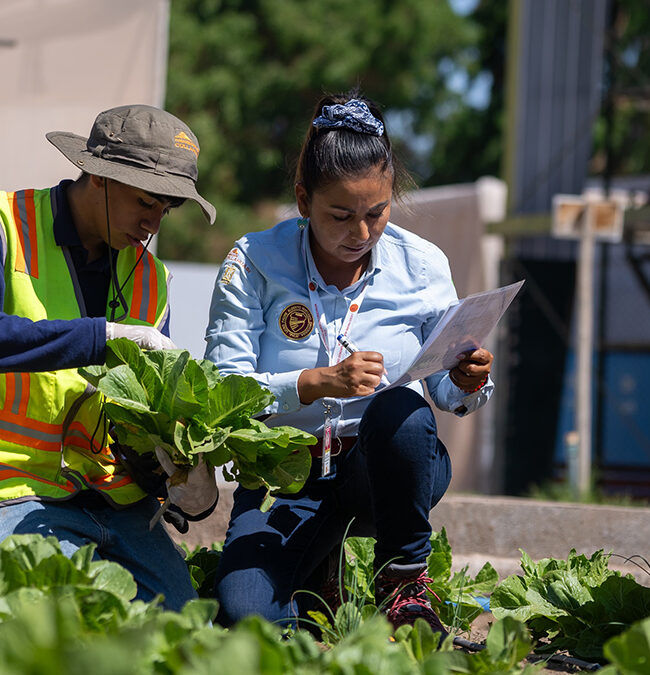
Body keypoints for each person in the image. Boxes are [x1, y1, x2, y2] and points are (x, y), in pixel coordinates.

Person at [204, 93, 495, 635]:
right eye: (340, 215)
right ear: (302, 200)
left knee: (399, 408)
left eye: (376, 214)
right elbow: (221, 391)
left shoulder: (423, 266)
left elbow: (445, 390)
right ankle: (320, 582)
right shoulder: (254, 262)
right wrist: (315, 384)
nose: (360, 234)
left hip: (381, 472)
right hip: (284, 472)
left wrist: (464, 379)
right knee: (249, 620)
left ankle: (404, 581)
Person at [0, 104, 219, 611]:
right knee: (63, 626)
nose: (152, 224)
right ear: (99, 177)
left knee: (187, 630)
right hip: (8, 483)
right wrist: (101, 336)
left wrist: (180, 479)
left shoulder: (153, 280)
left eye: (166, 210)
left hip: (115, 498)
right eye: (146, 201)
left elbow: (136, 415)